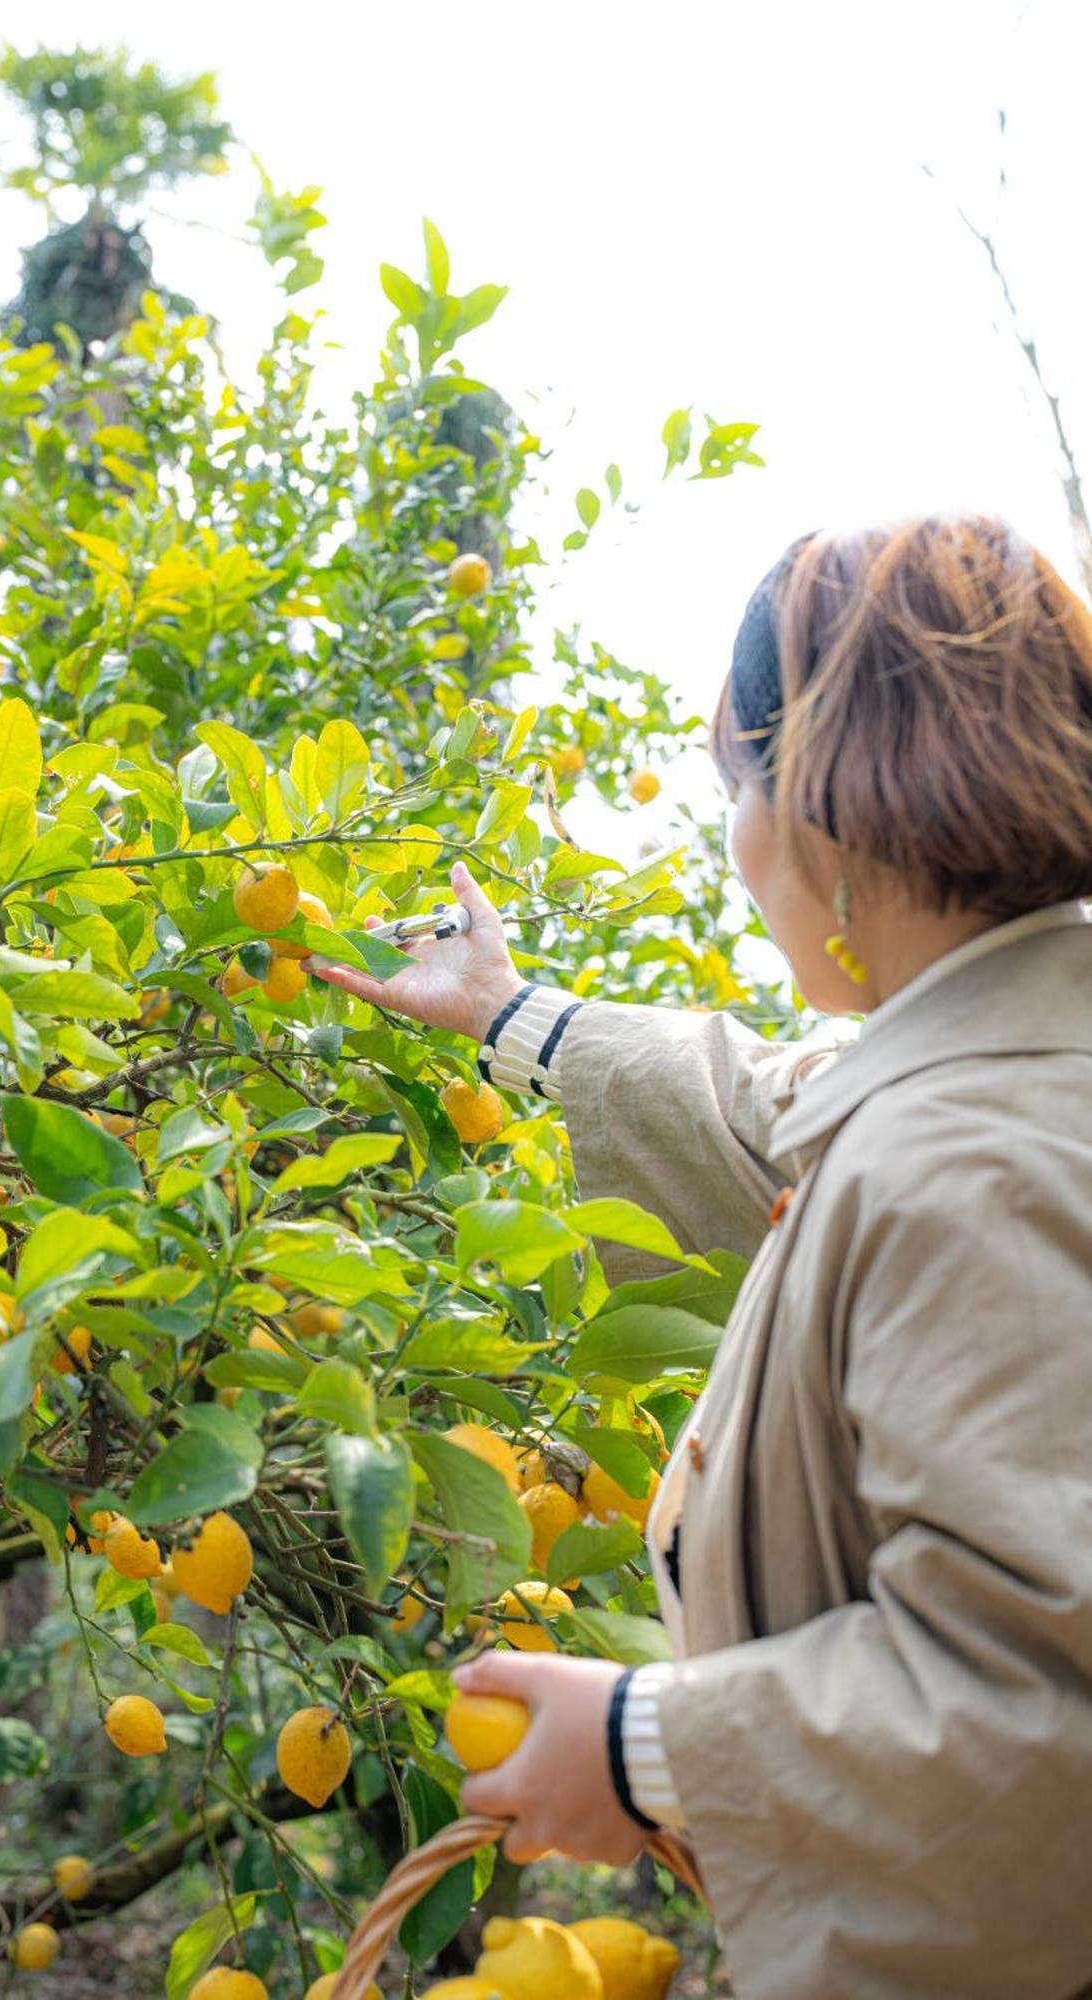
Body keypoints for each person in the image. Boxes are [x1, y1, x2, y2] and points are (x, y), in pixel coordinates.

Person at [313, 515, 1092, 2000]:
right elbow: (763, 1113)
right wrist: (510, 1012)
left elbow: (1048, 1698)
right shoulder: (987, 1061)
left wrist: (639, 1746)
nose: (734, 852)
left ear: (821, 804)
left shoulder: (982, 1154)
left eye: (735, 794)